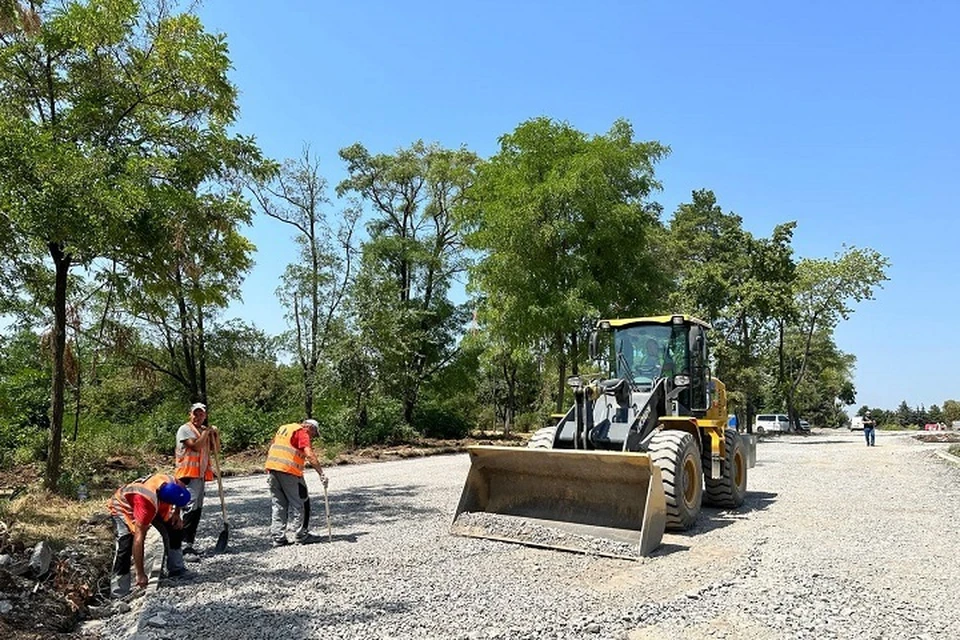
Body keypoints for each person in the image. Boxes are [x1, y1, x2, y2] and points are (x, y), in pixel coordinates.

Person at [107, 473, 191, 598]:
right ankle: (119, 591)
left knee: (174, 528)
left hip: (154, 500)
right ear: (164, 501)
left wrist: (176, 514)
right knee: (126, 542)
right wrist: (140, 574)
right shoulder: (147, 504)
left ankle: (176, 568)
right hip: (123, 505)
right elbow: (139, 539)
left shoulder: (171, 481)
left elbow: (180, 492)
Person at [265, 418, 329, 546]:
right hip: (289, 472)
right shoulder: (302, 432)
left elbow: (273, 447)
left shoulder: (284, 428)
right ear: (310, 427)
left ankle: (278, 537)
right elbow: (309, 454)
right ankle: (301, 534)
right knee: (301, 502)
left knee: (278, 505)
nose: (312, 437)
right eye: (314, 434)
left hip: (273, 469)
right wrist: (321, 473)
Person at [175, 402, 219, 561]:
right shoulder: (185, 429)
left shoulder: (202, 431)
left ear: (205, 416)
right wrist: (206, 434)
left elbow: (215, 450)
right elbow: (195, 447)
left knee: (197, 510)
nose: (198, 417)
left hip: (199, 476)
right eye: (196, 413)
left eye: (201, 414)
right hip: (187, 476)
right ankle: (183, 546)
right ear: (190, 414)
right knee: (189, 509)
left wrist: (215, 435)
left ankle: (189, 543)